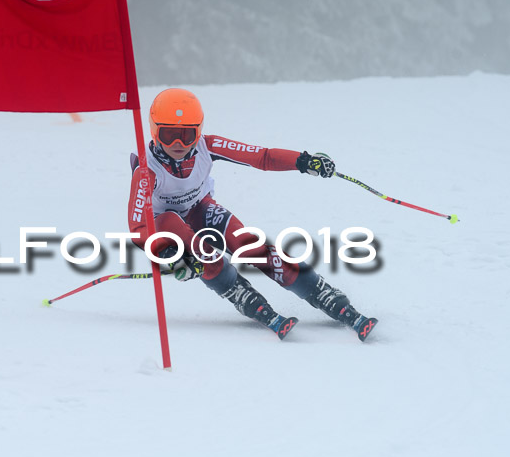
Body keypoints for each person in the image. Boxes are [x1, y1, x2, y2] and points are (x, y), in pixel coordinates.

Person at [127, 88, 377, 341]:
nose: (178, 144)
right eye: (169, 135)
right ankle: (236, 290)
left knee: (249, 246)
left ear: (198, 131)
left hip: (200, 209)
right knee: (199, 250)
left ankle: (320, 291)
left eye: (187, 135)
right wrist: (170, 255)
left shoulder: (208, 146)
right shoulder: (147, 171)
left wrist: (303, 162)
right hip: (167, 226)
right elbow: (138, 230)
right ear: (154, 131)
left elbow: (262, 157)